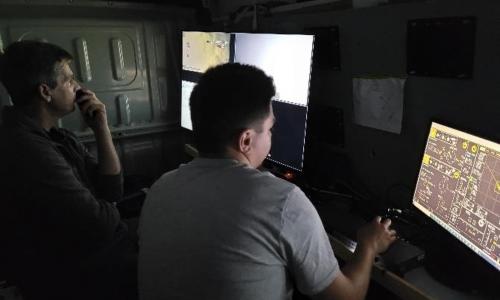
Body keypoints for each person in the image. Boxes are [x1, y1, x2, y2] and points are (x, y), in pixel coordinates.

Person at [138, 63, 397, 300]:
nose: (272, 136)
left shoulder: (161, 187)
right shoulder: (283, 201)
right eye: (270, 129)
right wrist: (368, 246)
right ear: (246, 141)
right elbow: (347, 297)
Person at [0, 40, 136, 300]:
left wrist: (101, 128)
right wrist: (111, 209)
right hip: (75, 274)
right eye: (69, 81)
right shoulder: (27, 149)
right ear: (45, 91)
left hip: (98, 253)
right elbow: (98, 223)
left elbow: (112, 188)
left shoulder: (57, 136)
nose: (79, 88)